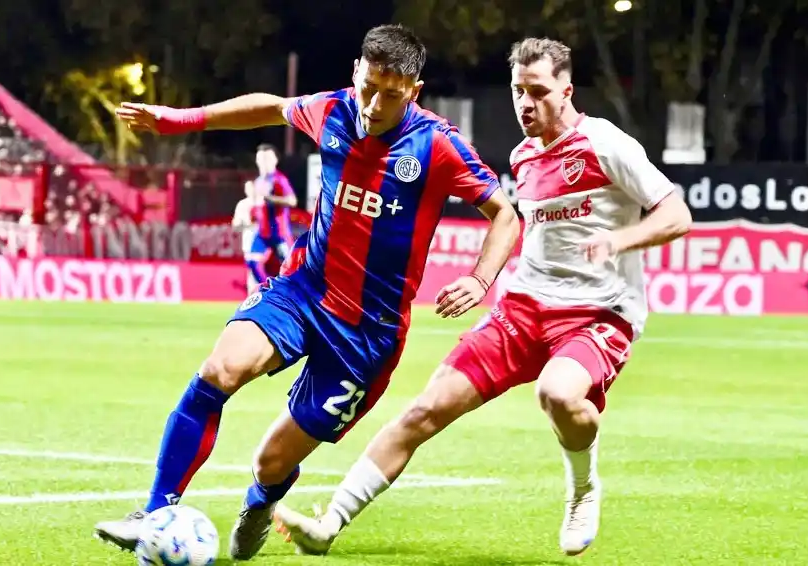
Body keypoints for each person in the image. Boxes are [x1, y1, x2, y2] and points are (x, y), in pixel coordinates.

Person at [95, 23, 520, 561]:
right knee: (219, 371)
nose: (374, 104)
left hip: (368, 336)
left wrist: (480, 279)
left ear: (413, 92)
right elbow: (270, 107)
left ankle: (258, 502)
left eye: (392, 95)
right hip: (302, 291)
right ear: (355, 73)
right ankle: (155, 512)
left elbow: (504, 214)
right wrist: (181, 120)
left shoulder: (437, 146)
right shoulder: (332, 110)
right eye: (369, 87)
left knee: (272, 462)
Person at [272, 36, 693, 558]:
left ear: (566, 91)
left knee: (560, 395)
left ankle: (583, 489)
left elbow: (677, 215)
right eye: (518, 90)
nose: (525, 103)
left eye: (538, 91)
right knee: (425, 409)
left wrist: (619, 240)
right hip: (522, 310)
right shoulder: (523, 156)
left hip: (596, 316)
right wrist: (484, 283)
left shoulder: (606, 144)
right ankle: (329, 522)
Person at [247, 143, 297, 276]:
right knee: (253, 261)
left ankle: (296, 294)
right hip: (263, 232)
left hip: (279, 232)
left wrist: (270, 198)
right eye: (261, 159)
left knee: (290, 269)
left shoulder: (279, 179)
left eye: (267, 159)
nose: (263, 162)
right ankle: (267, 292)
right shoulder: (258, 181)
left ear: (275, 160)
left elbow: (292, 200)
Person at [232, 180, 263, 293]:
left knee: (262, 269)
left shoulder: (262, 203)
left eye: (252, 188)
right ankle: (253, 296)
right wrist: (244, 224)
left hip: (263, 242)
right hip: (249, 243)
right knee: (252, 271)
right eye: (248, 188)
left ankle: (263, 294)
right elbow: (235, 225)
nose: (250, 191)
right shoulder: (242, 205)